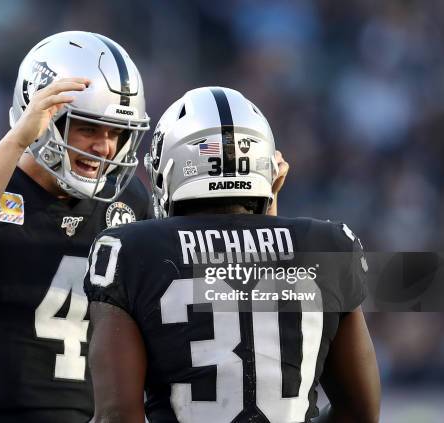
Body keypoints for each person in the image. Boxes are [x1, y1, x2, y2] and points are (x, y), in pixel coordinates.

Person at [84, 87, 381, 423]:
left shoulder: (129, 249)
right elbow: (361, 412)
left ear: (170, 167)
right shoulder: (328, 244)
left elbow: (117, 416)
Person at [0, 31, 153, 422]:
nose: (104, 147)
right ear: (42, 112)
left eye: (115, 133)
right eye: (88, 128)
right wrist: (19, 138)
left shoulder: (129, 202)